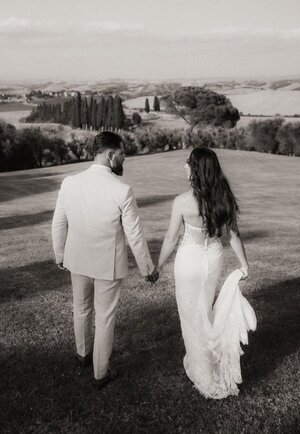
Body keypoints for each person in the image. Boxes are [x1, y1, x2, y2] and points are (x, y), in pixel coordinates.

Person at [51, 131, 158, 388]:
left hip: (77, 260)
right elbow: (135, 234)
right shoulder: (122, 190)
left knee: (82, 309)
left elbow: (59, 223)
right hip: (106, 266)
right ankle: (101, 373)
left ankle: (83, 354)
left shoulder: (70, 182)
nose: (124, 159)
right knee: (105, 317)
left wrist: (60, 255)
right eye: (122, 154)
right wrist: (147, 269)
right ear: (110, 156)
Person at [156, 147, 256, 399]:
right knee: (206, 309)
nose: (184, 165)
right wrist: (244, 264)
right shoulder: (223, 198)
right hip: (213, 259)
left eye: (188, 162)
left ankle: (203, 370)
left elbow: (170, 238)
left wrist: (157, 267)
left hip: (189, 262)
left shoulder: (182, 201)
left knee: (191, 314)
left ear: (195, 169)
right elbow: (232, 235)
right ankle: (208, 356)